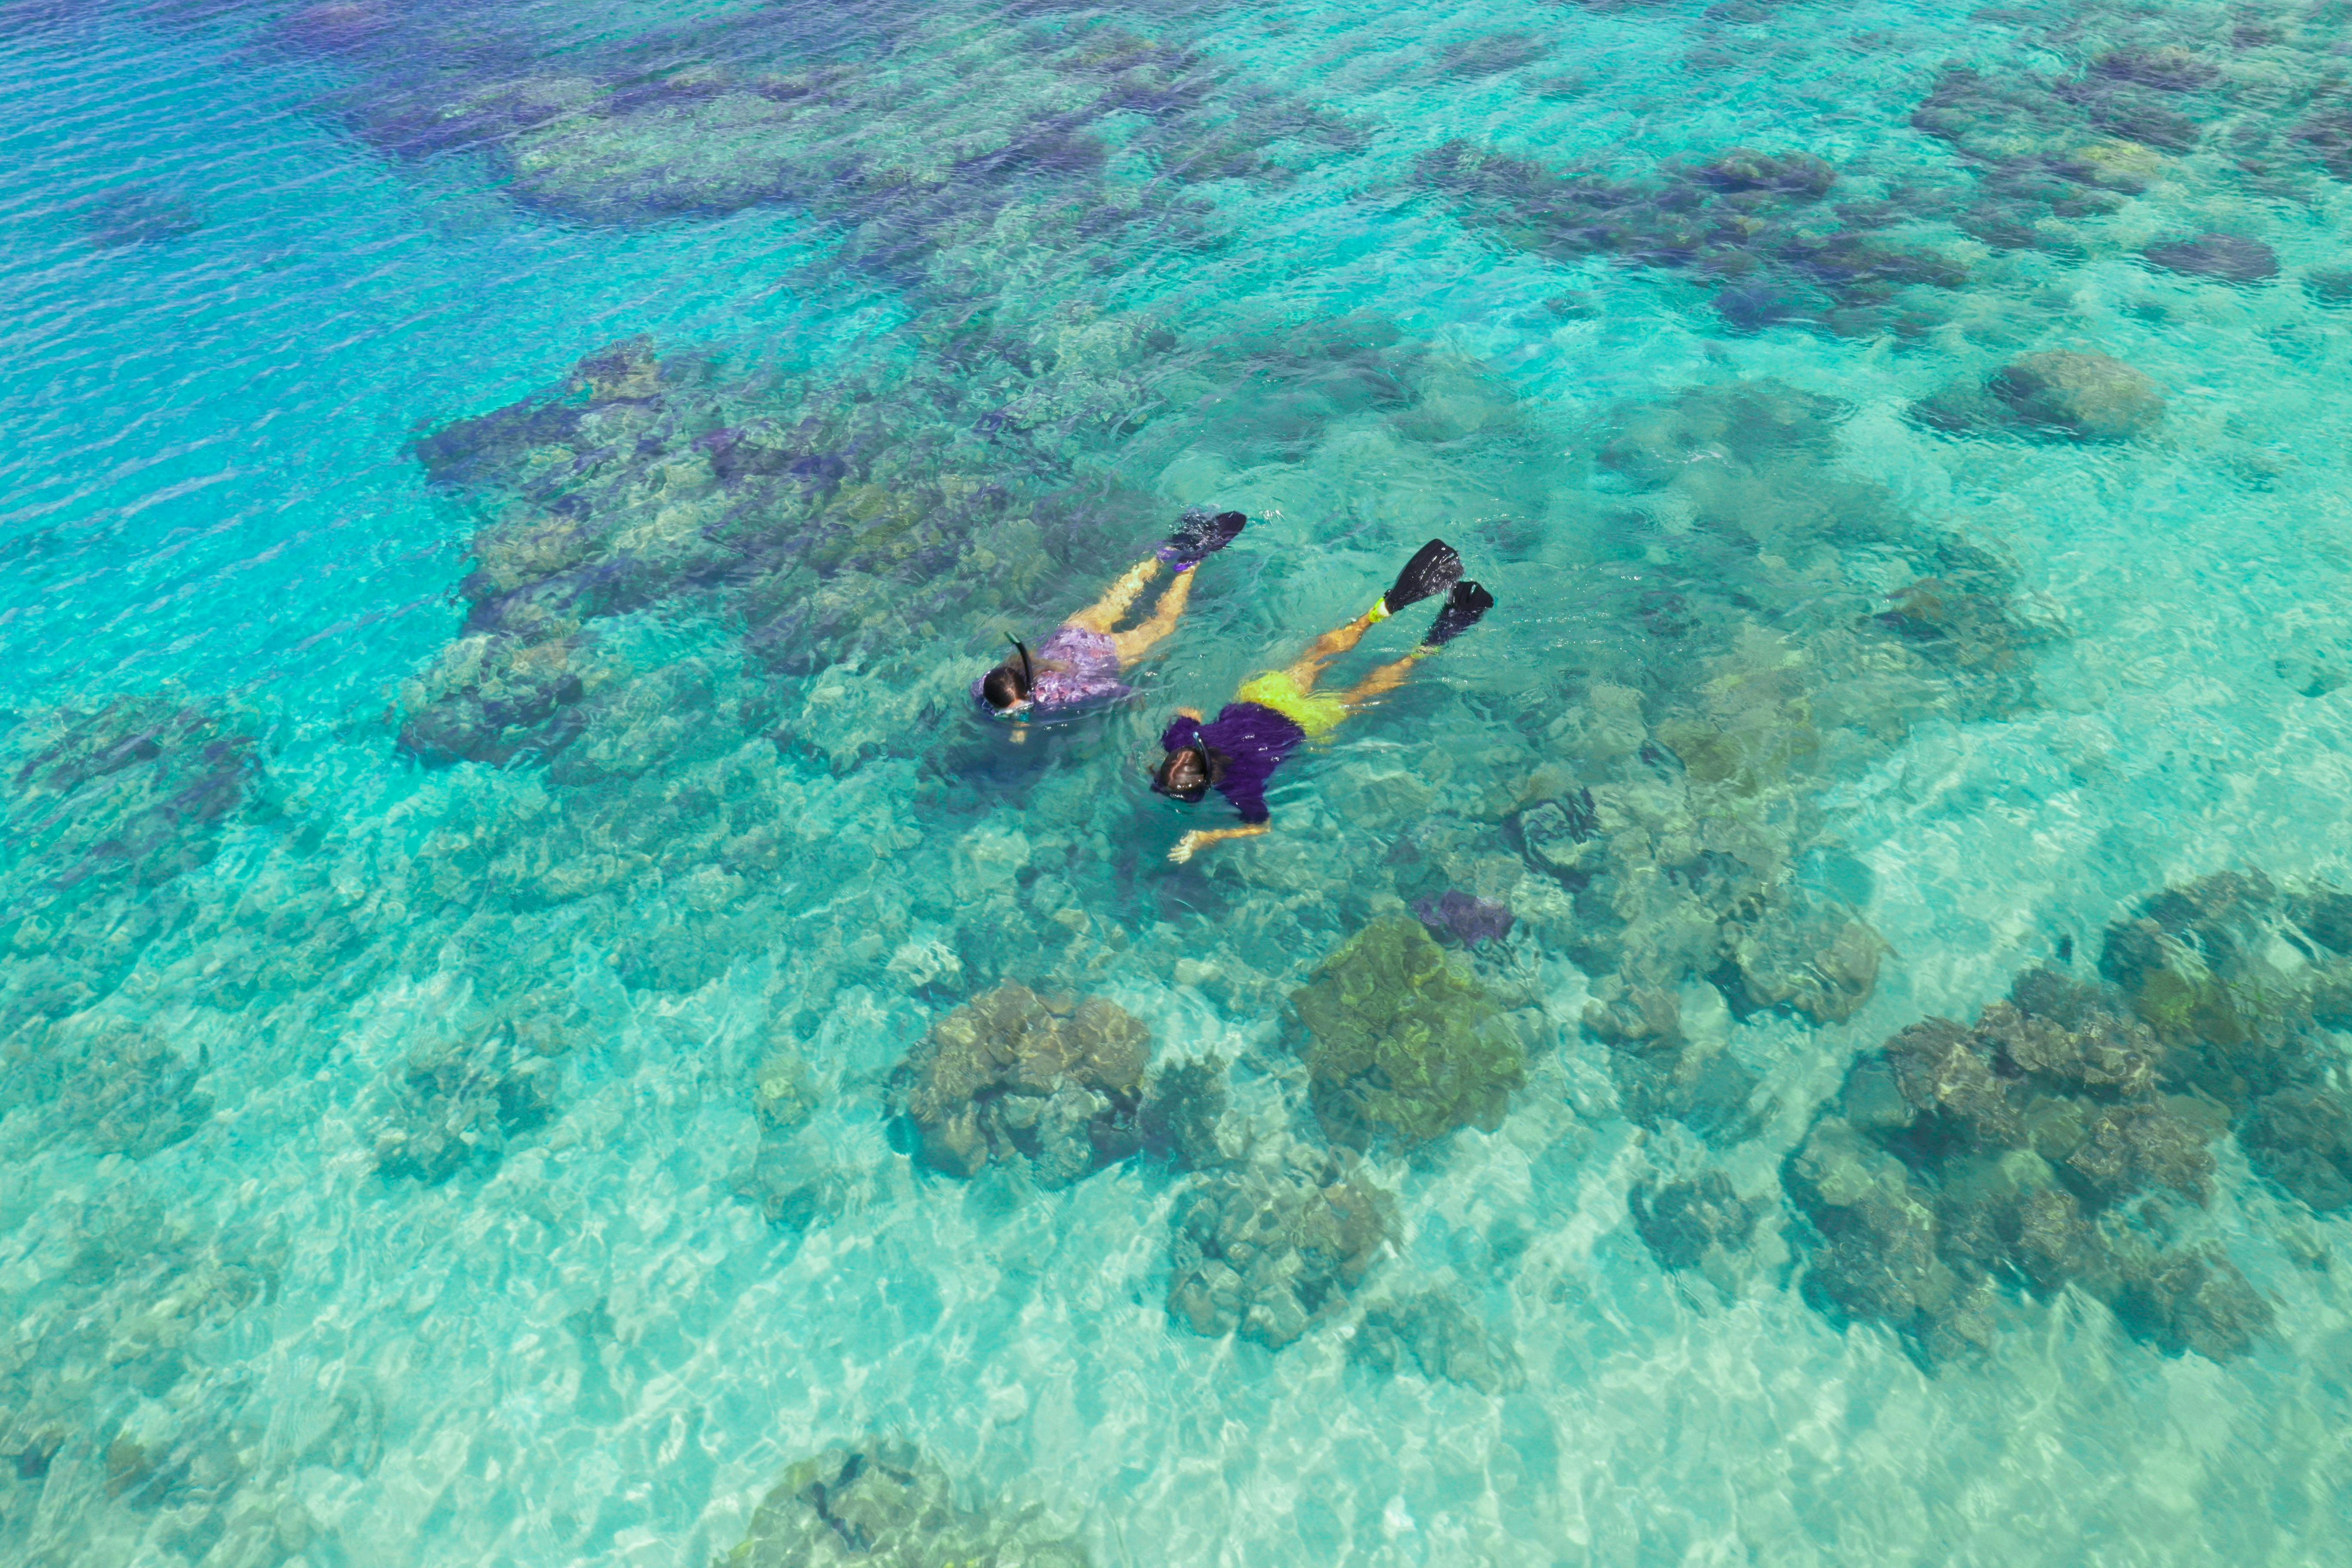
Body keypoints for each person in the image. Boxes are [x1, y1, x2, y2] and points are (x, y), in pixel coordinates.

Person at [1150, 539, 1494, 862]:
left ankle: (1422, 651)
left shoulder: (1240, 788)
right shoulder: (1182, 741)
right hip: (1265, 697)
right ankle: (1374, 615)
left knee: (1363, 693)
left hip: (1304, 721)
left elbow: (1260, 827)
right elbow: (1188, 712)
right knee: (1318, 656)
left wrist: (1206, 838)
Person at [974, 509, 1248, 725]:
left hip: (1101, 652)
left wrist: (1133, 697)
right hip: (1071, 633)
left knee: (1163, 625)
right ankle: (1160, 556)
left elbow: (1107, 687)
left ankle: (1190, 565)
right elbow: (999, 690)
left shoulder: (1057, 695)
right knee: (1117, 599)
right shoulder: (993, 679)